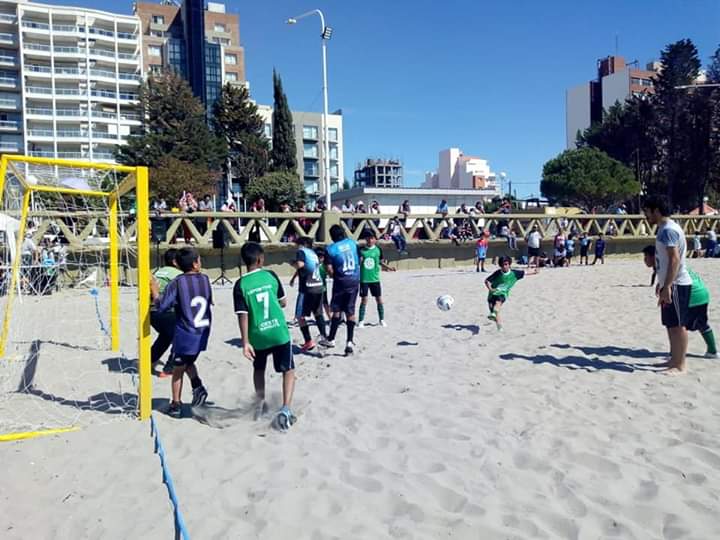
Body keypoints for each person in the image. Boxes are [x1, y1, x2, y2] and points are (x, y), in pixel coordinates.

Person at [234, 242, 296, 430]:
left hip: (257, 335)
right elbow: (283, 302)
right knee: (288, 370)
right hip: (278, 331)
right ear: (260, 259)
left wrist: (245, 342)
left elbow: (242, 315)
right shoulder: (270, 275)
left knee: (259, 368)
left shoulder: (240, 284)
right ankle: (286, 408)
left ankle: (260, 402)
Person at [151, 247, 211, 417]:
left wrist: (155, 290)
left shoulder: (177, 282)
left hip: (186, 332)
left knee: (177, 369)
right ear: (195, 264)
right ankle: (198, 387)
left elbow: (162, 306)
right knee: (187, 361)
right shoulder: (205, 279)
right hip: (203, 331)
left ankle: (176, 404)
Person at [643, 196, 693, 372]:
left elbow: (674, 260)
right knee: (670, 324)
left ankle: (680, 365)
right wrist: (661, 283)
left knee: (678, 325)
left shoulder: (668, 230)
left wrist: (668, 286)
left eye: (647, 212)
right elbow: (664, 261)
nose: (645, 216)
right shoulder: (664, 229)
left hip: (678, 284)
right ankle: (673, 360)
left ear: (656, 210)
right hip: (669, 284)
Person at [642, 245, 717, 359]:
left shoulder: (663, 263)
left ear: (654, 256)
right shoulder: (668, 262)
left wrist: (664, 288)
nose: (644, 260)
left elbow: (673, 280)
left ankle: (676, 353)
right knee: (701, 323)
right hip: (702, 292)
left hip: (692, 294)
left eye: (646, 256)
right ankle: (712, 351)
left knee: (674, 324)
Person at [321, 224, 360, 355]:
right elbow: (359, 258)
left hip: (341, 281)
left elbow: (329, 269)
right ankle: (349, 342)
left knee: (336, 310)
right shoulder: (352, 243)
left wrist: (334, 275)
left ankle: (331, 339)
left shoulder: (331, 249)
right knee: (350, 312)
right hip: (354, 280)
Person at [290, 236, 327, 351]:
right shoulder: (313, 253)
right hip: (319, 287)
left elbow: (300, 265)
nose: (297, 247)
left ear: (303, 244)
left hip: (307, 289)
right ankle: (324, 338)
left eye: (298, 244)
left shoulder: (302, 252)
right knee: (318, 314)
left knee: (300, 316)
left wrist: (292, 263)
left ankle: (308, 341)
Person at [151, 249, 182, 377]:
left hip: (151, 313)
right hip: (166, 312)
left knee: (165, 337)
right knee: (180, 336)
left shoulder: (157, 272)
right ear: (175, 262)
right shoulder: (178, 274)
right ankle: (169, 368)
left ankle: (149, 361)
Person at [485, 255, 537, 331]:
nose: (505, 266)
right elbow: (487, 281)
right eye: (503, 265)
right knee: (494, 312)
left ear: (509, 264)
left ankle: (494, 313)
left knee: (498, 303)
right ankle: (499, 326)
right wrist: (490, 289)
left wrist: (534, 272)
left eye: (506, 264)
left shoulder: (514, 273)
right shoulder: (498, 273)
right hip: (492, 293)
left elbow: (525, 273)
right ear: (500, 265)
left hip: (503, 293)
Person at [358, 231, 395, 328]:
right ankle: (361, 320)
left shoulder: (378, 250)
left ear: (375, 239)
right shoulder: (361, 250)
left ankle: (381, 319)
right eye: (368, 238)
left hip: (374, 279)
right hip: (364, 279)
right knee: (364, 300)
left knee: (379, 299)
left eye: (371, 238)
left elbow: (380, 262)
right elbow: (358, 263)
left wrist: (388, 267)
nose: (369, 240)